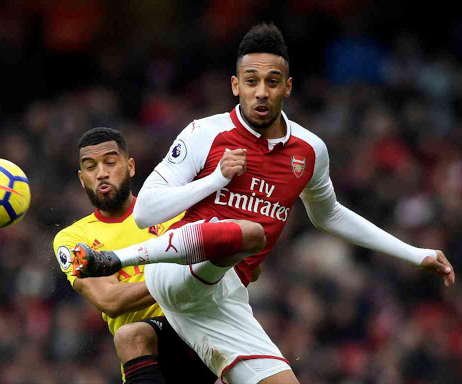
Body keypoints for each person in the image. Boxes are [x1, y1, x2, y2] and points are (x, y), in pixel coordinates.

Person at [72, 23, 455, 384]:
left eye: (272, 82)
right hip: (173, 271)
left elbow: (330, 215)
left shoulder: (310, 151)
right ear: (236, 86)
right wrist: (215, 179)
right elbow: (145, 212)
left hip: (223, 296)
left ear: (287, 87)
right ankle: (118, 259)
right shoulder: (204, 133)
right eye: (252, 82)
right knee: (250, 233)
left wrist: (413, 253)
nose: (261, 92)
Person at [53, 127, 218, 384]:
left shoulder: (174, 211)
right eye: (90, 167)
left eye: (110, 162)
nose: (101, 173)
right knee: (131, 335)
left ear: (130, 167)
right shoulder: (72, 240)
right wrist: (188, 280)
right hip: (150, 356)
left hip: (201, 330)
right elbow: (109, 299)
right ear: (81, 178)